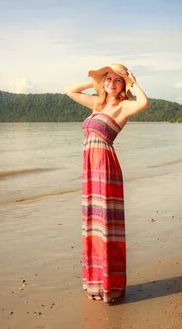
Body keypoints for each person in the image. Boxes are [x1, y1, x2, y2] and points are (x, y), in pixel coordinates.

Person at [65, 63, 150, 304]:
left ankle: (111, 287)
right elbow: (70, 91)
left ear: (124, 85)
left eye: (117, 80)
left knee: (107, 224)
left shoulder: (124, 106)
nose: (112, 83)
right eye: (108, 79)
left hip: (105, 165)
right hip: (90, 168)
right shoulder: (97, 103)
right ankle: (96, 282)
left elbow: (144, 103)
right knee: (94, 223)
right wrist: (95, 82)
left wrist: (134, 81)